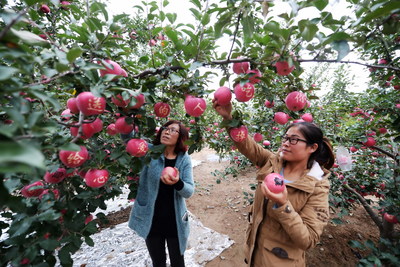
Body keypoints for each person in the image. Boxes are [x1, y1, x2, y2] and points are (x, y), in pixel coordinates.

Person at [212, 99, 335, 267]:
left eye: (293, 140)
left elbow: (308, 239)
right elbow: (247, 145)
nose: (285, 143)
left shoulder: (318, 186)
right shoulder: (273, 161)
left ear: (312, 148)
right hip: (254, 252)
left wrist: (283, 204)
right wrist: (228, 118)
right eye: (285, 138)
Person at [127, 120, 194, 267]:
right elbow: (129, 141)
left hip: (174, 221)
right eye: (165, 128)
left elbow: (189, 191)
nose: (166, 131)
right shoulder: (149, 151)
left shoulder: (184, 160)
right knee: (158, 262)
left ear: (180, 137)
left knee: (178, 262)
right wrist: (125, 115)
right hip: (151, 219)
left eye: (172, 130)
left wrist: (177, 182)